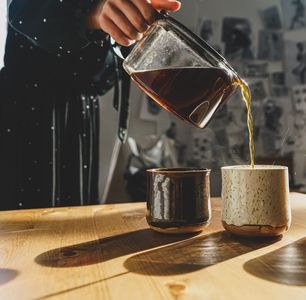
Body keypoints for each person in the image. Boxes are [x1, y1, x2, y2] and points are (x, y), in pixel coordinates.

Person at [0, 0, 181, 210]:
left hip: (80, 122)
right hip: (27, 116)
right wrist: (92, 12)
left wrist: (128, 28)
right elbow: (22, 12)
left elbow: (99, 81)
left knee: (74, 225)